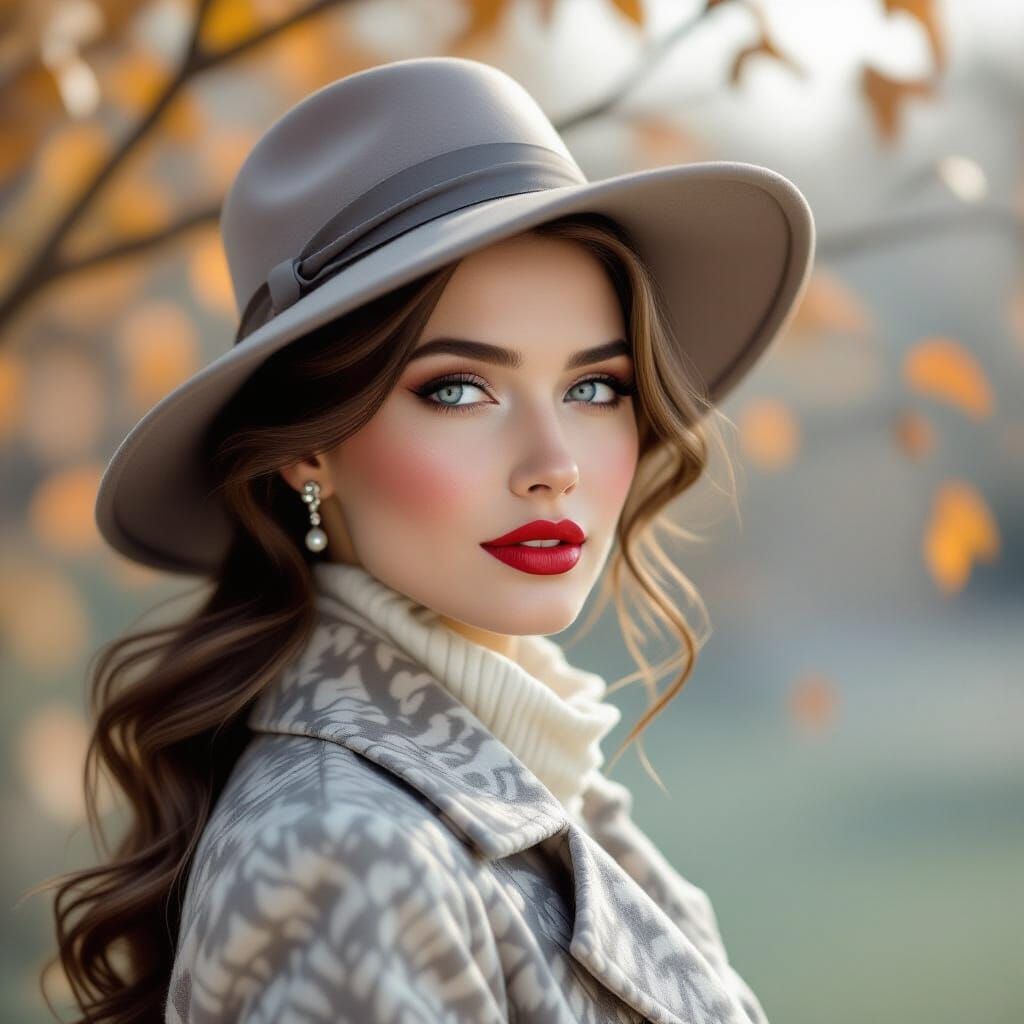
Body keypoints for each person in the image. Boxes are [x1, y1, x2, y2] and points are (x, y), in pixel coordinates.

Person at [39, 57, 814, 1023]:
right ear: (309, 449)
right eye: (458, 390)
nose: (554, 465)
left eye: (594, 387)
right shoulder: (345, 852)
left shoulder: (535, 776)